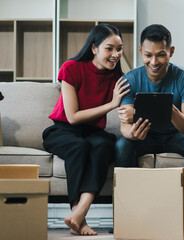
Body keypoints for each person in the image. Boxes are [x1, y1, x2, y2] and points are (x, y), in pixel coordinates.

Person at [42, 23, 130, 236]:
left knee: (104, 146)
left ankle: (80, 211)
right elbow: (72, 117)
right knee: (79, 147)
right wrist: (111, 104)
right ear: (94, 48)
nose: (116, 54)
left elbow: (129, 104)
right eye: (109, 48)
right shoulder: (71, 68)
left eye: (119, 49)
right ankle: (78, 217)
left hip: (93, 132)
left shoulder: (117, 78)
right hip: (63, 131)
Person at [115, 24, 184, 168]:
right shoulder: (129, 80)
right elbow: (125, 126)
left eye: (161, 55)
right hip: (144, 136)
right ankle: (128, 191)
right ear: (140, 51)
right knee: (122, 145)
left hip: (177, 135)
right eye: (148, 55)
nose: (154, 62)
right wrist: (132, 133)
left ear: (171, 51)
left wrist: (168, 110)